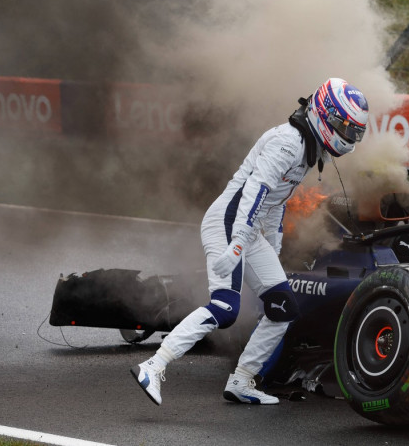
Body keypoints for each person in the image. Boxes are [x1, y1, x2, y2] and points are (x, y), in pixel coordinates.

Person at [131, 77, 369, 405]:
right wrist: (240, 241)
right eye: (344, 126)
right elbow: (255, 191)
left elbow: (274, 203)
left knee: (283, 307)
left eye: (354, 131)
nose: (348, 135)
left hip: (250, 227)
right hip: (229, 221)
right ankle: (153, 366)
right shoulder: (288, 142)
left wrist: (273, 246)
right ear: (324, 114)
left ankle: (242, 380)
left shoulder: (306, 149)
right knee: (225, 307)